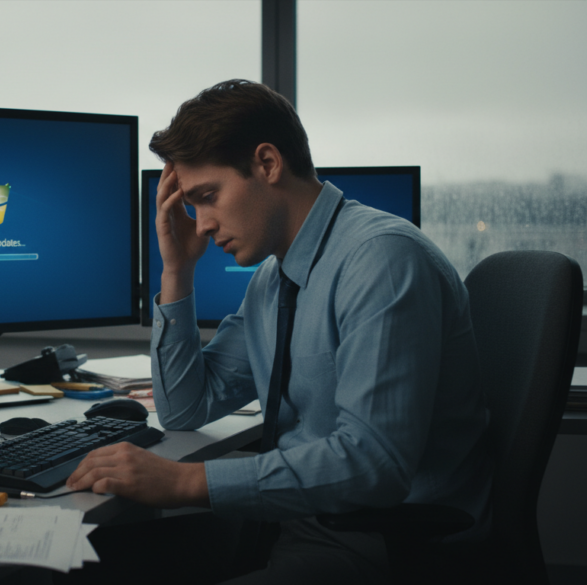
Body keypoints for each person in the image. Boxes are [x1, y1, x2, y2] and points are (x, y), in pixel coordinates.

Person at [64, 80, 492, 584]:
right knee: (81, 567)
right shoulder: (274, 278)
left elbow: (374, 464)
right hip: (290, 524)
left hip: (382, 546)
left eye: (208, 197)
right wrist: (176, 271)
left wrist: (184, 481)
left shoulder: (382, 261)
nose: (200, 224)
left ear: (267, 164)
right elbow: (185, 408)